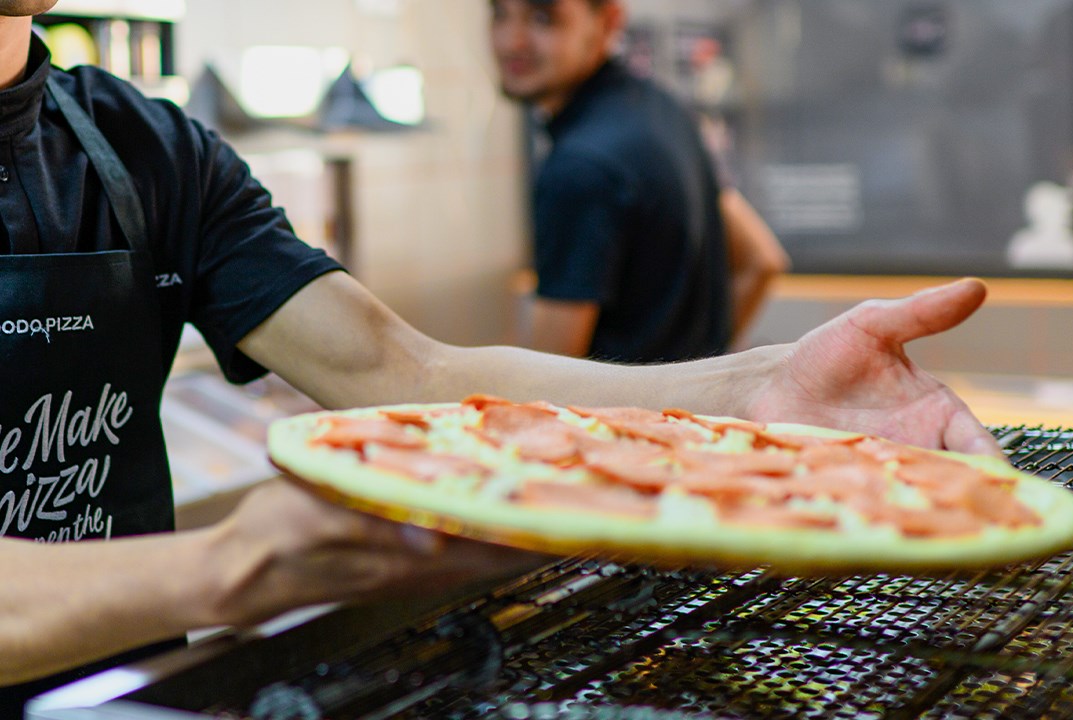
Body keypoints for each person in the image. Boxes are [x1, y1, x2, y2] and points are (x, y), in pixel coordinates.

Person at [0, 0, 998, 710]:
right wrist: (226, 568)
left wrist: (756, 393)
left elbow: (406, 374)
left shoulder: (146, 150)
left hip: (121, 692)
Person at [491, 0, 789, 362]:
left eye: (543, 17)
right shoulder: (666, 110)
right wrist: (698, 373)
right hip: (685, 415)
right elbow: (762, 260)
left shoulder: (580, 167)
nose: (511, 41)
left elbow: (546, 382)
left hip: (614, 419)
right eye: (499, 13)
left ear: (609, 20)